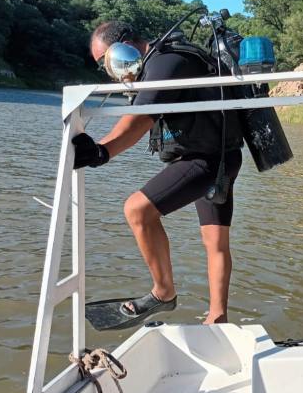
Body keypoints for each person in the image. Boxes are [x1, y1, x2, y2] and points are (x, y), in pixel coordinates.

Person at [76, 20, 245, 325]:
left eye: (105, 61)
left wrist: (102, 151)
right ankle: (218, 315)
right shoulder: (166, 59)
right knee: (215, 240)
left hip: (205, 161)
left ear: (124, 45)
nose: (107, 70)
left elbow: (140, 119)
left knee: (137, 210)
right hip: (222, 155)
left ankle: (163, 293)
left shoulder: (166, 62)